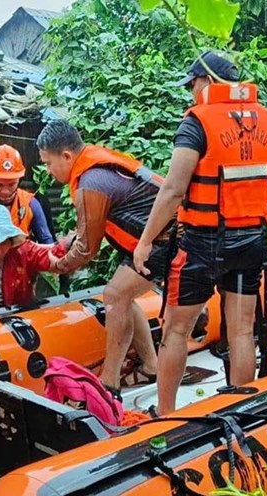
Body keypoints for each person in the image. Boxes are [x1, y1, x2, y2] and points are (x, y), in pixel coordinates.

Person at [133, 51, 267, 415]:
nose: (191, 92)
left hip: (203, 241)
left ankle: (165, 414)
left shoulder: (196, 122)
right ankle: (244, 410)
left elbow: (173, 190)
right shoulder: (265, 119)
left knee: (175, 331)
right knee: (242, 330)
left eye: (193, 84)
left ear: (209, 81)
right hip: (252, 236)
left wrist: (146, 241)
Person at [37, 120, 166, 399]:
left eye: (48, 163)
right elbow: (87, 231)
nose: (48, 171)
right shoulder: (95, 167)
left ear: (66, 156)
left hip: (166, 240)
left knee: (115, 295)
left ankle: (109, 383)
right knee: (123, 296)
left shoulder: (91, 182)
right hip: (152, 240)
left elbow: (86, 249)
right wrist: (64, 245)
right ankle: (151, 365)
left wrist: (57, 265)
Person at [0, 204, 67, 308]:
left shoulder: (23, 251)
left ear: (11, 240)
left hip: (14, 313)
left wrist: (71, 244)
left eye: (4, 242)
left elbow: (51, 254)